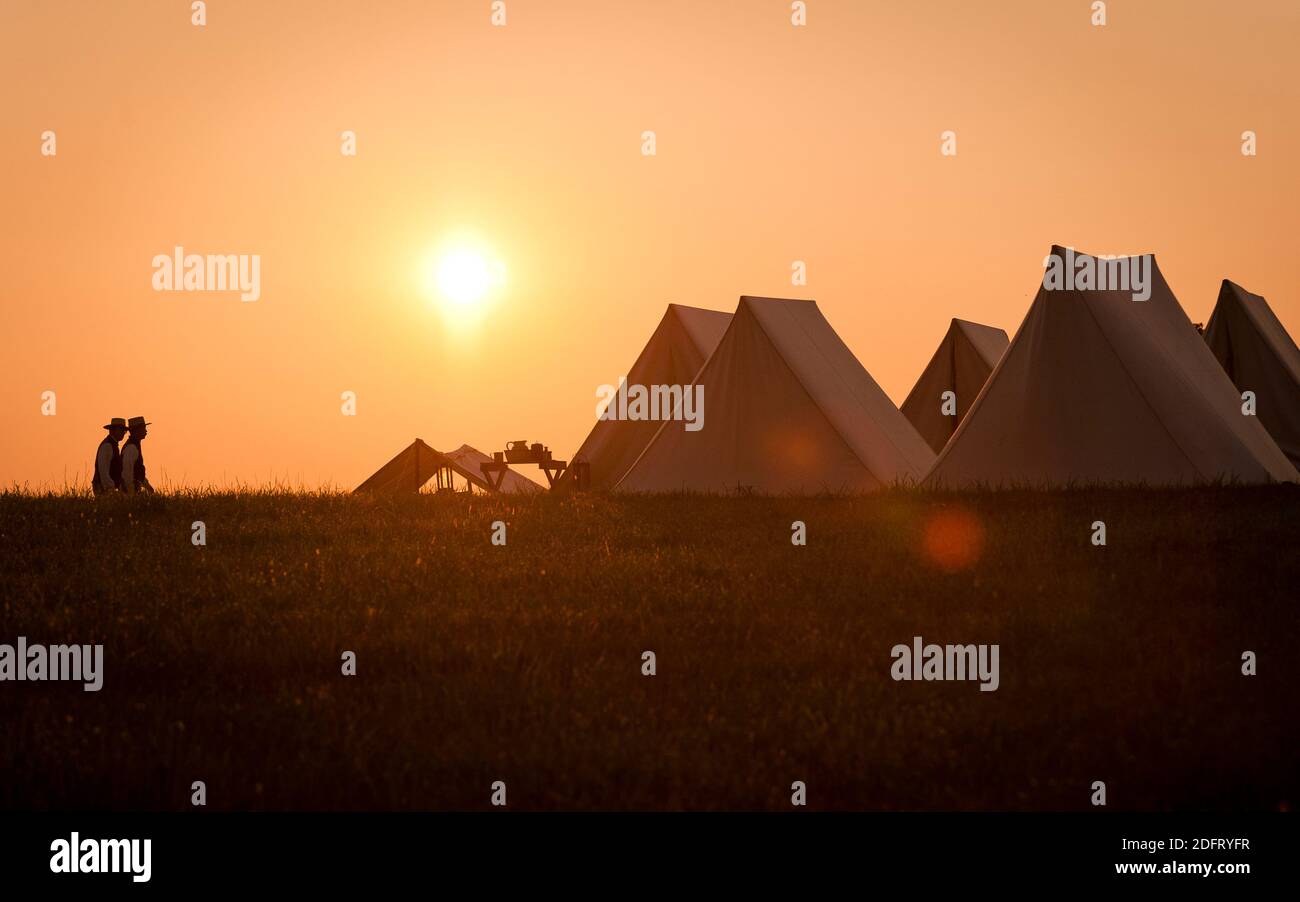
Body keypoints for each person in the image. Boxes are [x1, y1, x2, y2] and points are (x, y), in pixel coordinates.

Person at [93, 417, 127, 495]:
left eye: (124, 431)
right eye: (121, 430)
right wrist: (111, 489)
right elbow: (103, 471)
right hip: (104, 489)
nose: (123, 433)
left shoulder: (112, 445)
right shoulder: (107, 446)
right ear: (112, 430)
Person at [121, 416, 155, 494]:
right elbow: (127, 472)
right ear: (136, 430)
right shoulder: (131, 447)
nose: (146, 431)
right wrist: (131, 492)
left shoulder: (134, 445)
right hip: (129, 492)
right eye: (143, 428)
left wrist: (148, 486)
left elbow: (138, 470)